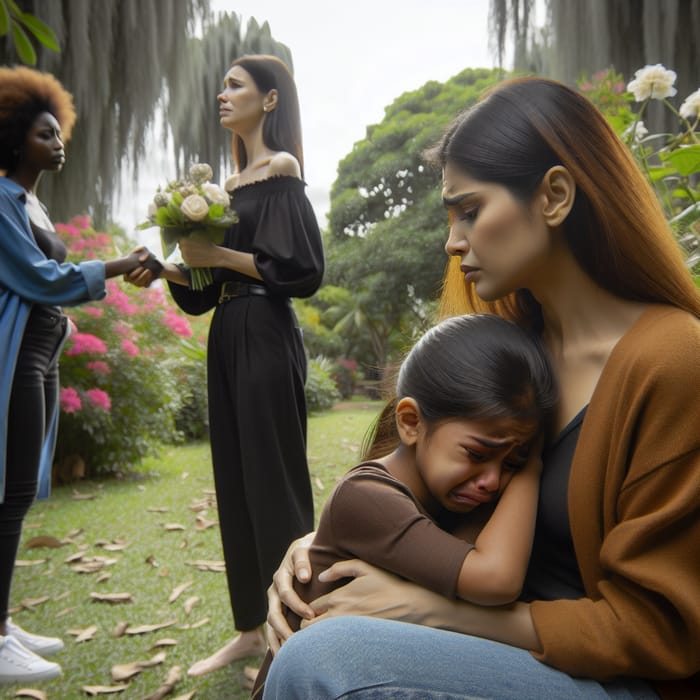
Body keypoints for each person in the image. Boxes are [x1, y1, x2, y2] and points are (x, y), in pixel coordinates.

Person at [262, 76, 700, 700]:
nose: (453, 241)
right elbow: (409, 483)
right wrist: (316, 551)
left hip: (614, 679)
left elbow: (662, 630)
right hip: (495, 648)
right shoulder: (508, 350)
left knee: (326, 662)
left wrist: (432, 611)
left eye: (470, 210)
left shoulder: (674, 360)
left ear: (553, 195)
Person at [125, 54, 325, 677]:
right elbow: (206, 288)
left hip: (266, 330)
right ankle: (248, 627)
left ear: (268, 100)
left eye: (235, 85)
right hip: (228, 330)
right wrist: (168, 269)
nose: (222, 94)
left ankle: (295, 631)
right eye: (223, 84)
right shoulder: (225, 190)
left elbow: (299, 269)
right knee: (235, 480)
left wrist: (222, 255)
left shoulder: (282, 169)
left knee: (274, 480)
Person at [250, 312, 557, 696]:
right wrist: (530, 466)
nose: (493, 480)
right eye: (478, 454)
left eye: (510, 462)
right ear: (411, 422)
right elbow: (496, 580)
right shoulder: (366, 497)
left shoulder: (446, 496)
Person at [0, 66, 154, 685]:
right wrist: (121, 263)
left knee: (16, 492)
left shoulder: (30, 200)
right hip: (13, 355)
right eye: (45, 133)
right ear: (14, 140)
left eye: (57, 131)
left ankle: (4, 625)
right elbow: (39, 279)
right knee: (8, 493)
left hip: (40, 353)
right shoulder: (0, 199)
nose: (59, 141)